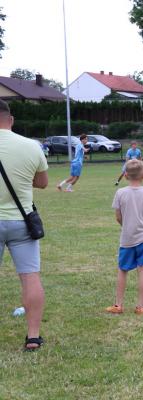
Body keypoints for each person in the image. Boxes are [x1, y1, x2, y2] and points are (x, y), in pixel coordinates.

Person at [0, 99, 48, 351]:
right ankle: (33, 337)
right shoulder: (31, 146)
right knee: (30, 277)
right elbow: (42, 182)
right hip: (22, 221)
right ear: (11, 119)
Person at [106, 159, 143, 315]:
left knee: (123, 270)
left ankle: (118, 305)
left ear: (126, 175)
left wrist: (127, 226)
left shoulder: (120, 193)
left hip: (127, 238)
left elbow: (118, 216)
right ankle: (140, 306)